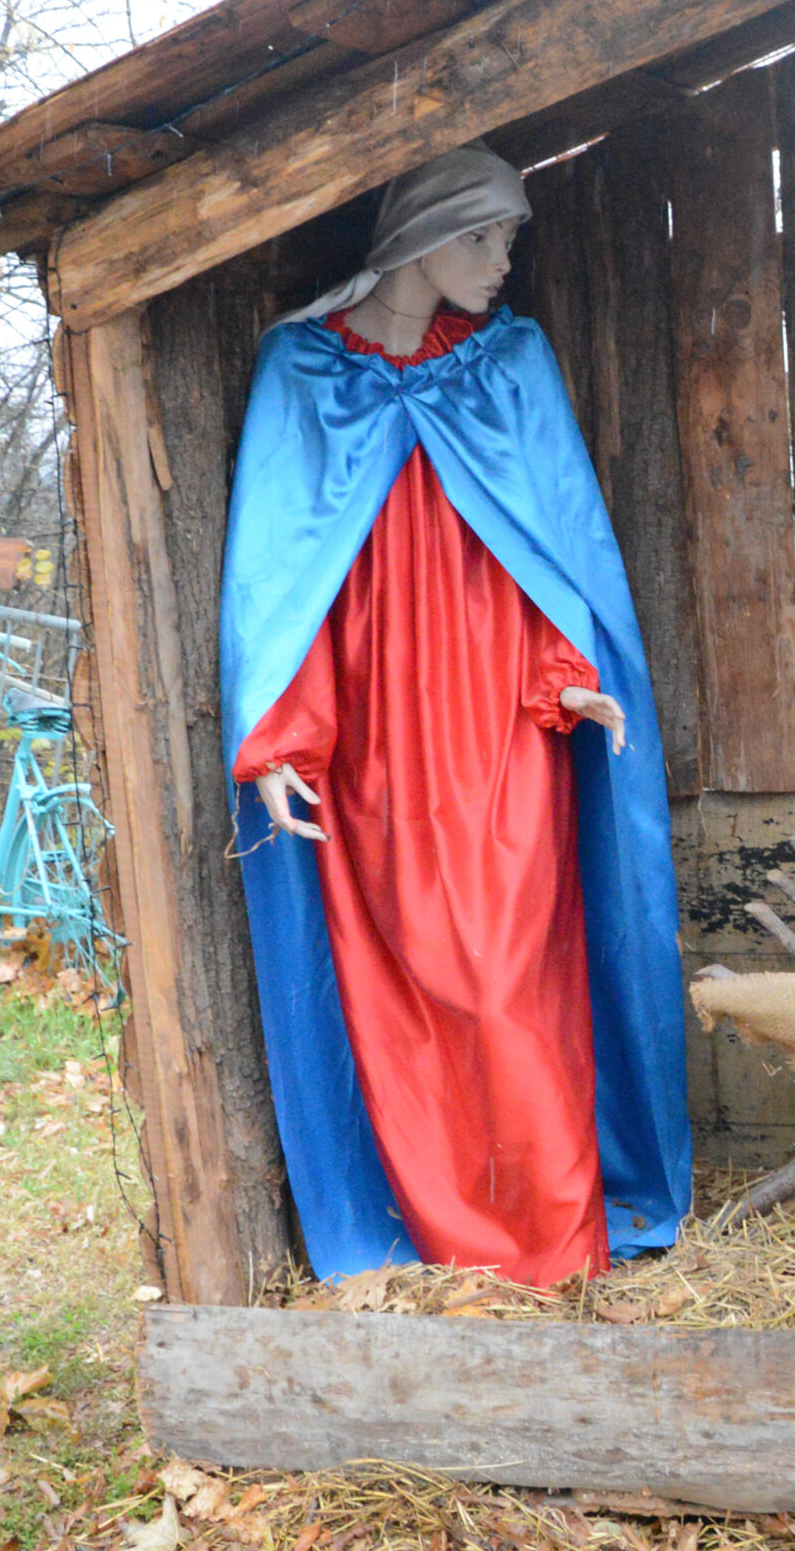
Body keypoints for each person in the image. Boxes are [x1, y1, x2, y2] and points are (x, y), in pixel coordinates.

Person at [220, 145, 692, 1286]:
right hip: (376, 731)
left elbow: (555, 539)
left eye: (512, 240)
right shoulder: (302, 370)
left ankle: (551, 1237)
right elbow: (280, 576)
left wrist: (565, 671)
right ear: (420, 236)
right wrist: (282, 737)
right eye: (485, 237)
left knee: (510, 973)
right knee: (409, 981)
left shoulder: (508, 364)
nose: (502, 262)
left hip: (502, 730)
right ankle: (441, 1234)